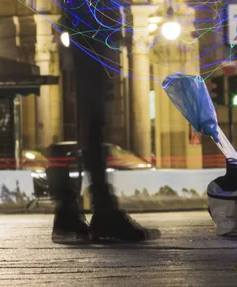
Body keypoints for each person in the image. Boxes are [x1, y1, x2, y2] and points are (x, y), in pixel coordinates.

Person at [46, 44, 160, 244]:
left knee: (90, 112)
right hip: (92, 30)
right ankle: (97, 212)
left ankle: (71, 212)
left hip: (89, 30)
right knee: (93, 112)